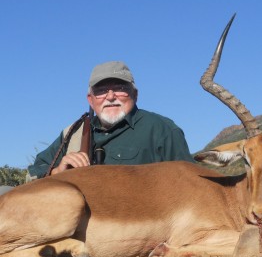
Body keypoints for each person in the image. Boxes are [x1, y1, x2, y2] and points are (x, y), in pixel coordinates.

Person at [27, 61, 194, 181]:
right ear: (90, 100)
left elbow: (191, 181)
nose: (111, 96)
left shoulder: (162, 129)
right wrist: (57, 172)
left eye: (120, 89)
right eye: (101, 91)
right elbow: (32, 175)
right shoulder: (73, 133)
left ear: (135, 95)